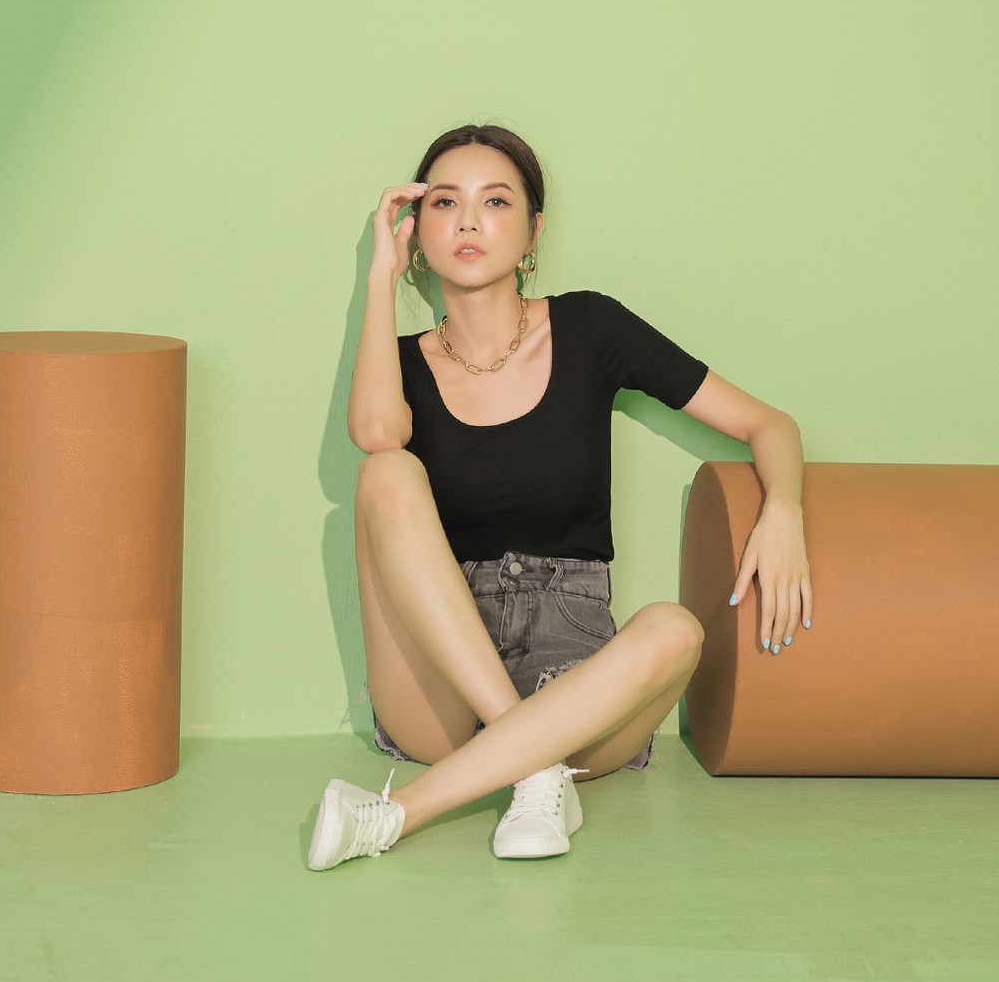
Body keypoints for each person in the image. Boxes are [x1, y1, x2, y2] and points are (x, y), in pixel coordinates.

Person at [307, 125, 812, 871]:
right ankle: (535, 767)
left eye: (495, 202)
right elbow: (377, 436)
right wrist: (381, 275)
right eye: (444, 202)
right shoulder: (402, 365)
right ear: (417, 230)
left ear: (533, 231)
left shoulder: (589, 327)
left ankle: (405, 811)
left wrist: (785, 512)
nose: (469, 221)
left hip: (573, 670)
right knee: (386, 472)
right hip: (440, 683)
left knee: (675, 630)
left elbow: (768, 424)